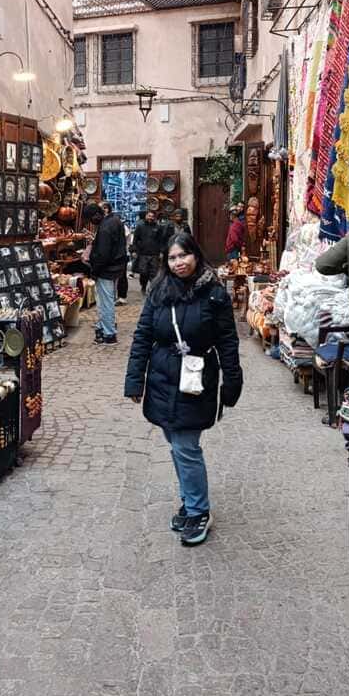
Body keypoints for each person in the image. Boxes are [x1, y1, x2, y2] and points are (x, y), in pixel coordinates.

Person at [124, 233, 243, 546]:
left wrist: (232, 380)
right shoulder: (159, 291)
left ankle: (198, 510)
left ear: (195, 255)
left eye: (183, 256)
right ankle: (190, 500)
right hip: (163, 375)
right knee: (176, 444)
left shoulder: (215, 294)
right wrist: (135, 379)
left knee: (185, 447)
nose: (178, 263)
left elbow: (228, 341)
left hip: (196, 378)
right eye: (173, 258)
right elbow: (142, 335)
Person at [82, 203, 127, 345]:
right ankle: (103, 328)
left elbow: (103, 254)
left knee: (106, 302)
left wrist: (95, 271)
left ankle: (109, 334)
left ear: (96, 215)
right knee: (106, 300)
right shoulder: (114, 220)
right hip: (114, 267)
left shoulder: (106, 228)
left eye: (91, 219)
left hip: (107, 270)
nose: (91, 222)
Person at [132, 210, 161, 294]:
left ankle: (152, 289)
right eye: (149, 216)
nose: (150, 218)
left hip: (154, 254)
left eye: (152, 216)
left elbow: (160, 240)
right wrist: (134, 250)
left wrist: (161, 252)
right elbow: (135, 239)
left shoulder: (157, 227)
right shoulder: (140, 226)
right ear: (146, 216)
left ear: (154, 217)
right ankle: (143, 286)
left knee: (154, 273)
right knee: (143, 272)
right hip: (143, 253)